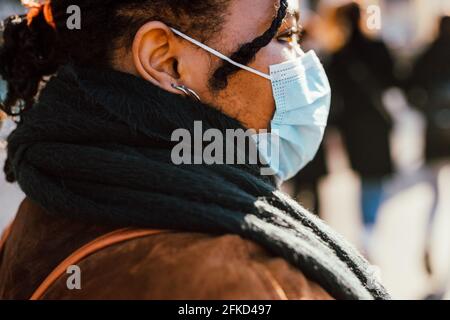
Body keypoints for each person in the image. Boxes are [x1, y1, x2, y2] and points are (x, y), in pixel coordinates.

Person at [0, 0, 389, 300]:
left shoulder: (35, 215)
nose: (303, 61)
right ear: (166, 61)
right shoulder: (242, 282)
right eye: (283, 35)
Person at [326, 3, 396, 243]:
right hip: (376, 120)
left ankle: (366, 229)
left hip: (352, 125)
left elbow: (334, 95)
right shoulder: (377, 47)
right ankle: (370, 228)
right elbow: (393, 79)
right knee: (375, 177)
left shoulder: (338, 55)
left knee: (364, 176)